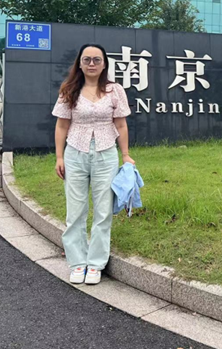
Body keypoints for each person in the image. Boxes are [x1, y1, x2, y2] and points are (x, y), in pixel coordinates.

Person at [52, 43, 134, 285]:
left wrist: (126, 154)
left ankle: (96, 263)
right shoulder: (69, 89)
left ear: (104, 63)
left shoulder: (114, 90)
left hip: (106, 154)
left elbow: (121, 124)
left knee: (103, 210)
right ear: (79, 63)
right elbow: (62, 125)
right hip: (75, 154)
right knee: (75, 210)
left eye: (96, 59)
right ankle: (77, 262)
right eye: (86, 59)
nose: (91, 64)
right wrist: (59, 157)